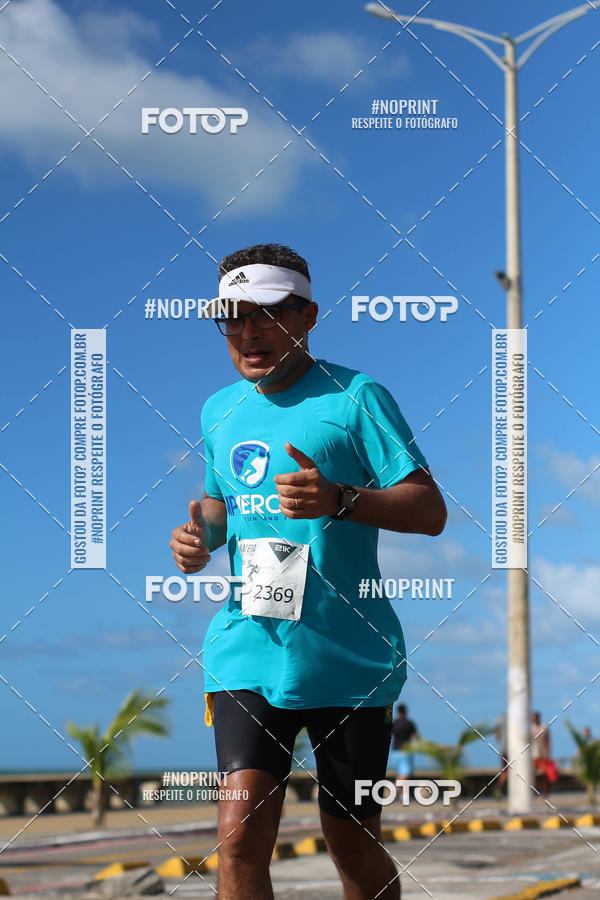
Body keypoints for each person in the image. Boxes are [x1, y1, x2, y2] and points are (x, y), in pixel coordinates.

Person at [169, 243, 447, 899]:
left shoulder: (356, 397)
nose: (248, 332)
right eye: (231, 317)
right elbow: (218, 504)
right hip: (248, 645)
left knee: (349, 839)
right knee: (237, 838)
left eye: (267, 313)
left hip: (349, 653)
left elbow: (430, 509)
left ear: (308, 316)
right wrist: (198, 538)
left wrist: (341, 499)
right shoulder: (219, 410)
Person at [389, 704, 419, 781]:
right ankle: (393, 788)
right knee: (405, 774)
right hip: (406, 751)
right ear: (405, 711)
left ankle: (402, 793)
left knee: (400, 773)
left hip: (395, 752)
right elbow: (416, 737)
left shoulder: (394, 723)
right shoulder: (409, 723)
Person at [531, 711, 552, 798]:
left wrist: (548, 753)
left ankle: (544, 792)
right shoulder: (529, 728)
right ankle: (533, 792)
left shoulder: (544, 727)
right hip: (532, 754)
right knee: (532, 774)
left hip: (543, 754)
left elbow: (548, 740)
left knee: (544, 774)